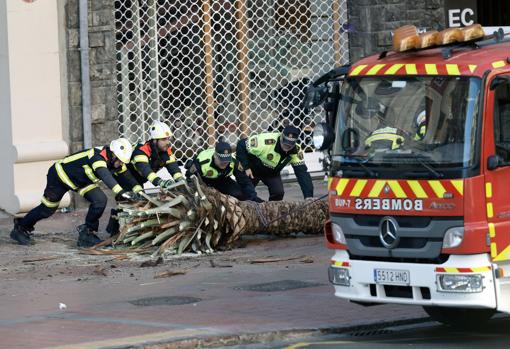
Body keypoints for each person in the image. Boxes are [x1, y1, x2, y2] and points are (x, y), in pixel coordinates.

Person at [10, 138, 138, 247]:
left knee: (100, 200)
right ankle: (21, 228)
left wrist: (138, 190)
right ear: (112, 154)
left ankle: (87, 233)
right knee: (47, 209)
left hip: (81, 182)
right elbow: (105, 176)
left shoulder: (116, 161)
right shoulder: (96, 157)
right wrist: (121, 192)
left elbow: (127, 176)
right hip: (60, 176)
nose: (120, 164)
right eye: (119, 160)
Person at [106, 121, 184, 236]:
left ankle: (128, 230)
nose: (168, 142)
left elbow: (174, 169)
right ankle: (115, 232)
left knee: (138, 202)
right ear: (154, 140)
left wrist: (181, 181)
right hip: (124, 176)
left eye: (168, 139)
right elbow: (147, 172)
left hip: (138, 179)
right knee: (127, 200)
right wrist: (162, 182)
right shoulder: (141, 151)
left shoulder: (166, 151)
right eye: (164, 139)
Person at [234, 125, 313, 201]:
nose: (286, 148)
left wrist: (308, 196)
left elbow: (302, 173)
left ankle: (272, 212)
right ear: (281, 136)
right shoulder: (265, 141)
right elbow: (241, 145)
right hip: (253, 169)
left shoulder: (296, 150)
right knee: (243, 194)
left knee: (278, 193)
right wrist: (246, 167)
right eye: (285, 143)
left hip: (272, 171)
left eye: (289, 146)